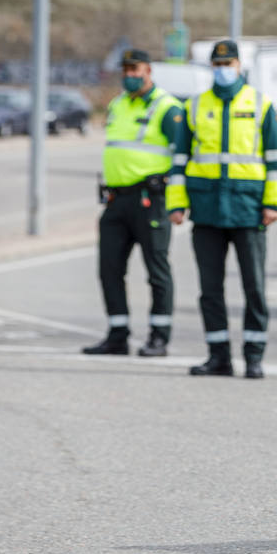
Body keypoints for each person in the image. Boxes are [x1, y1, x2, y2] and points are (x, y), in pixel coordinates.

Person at [165, 40, 277, 379]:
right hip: (206, 211)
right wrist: (176, 205)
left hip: (249, 209)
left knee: (254, 287)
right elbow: (179, 161)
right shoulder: (194, 107)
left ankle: (254, 357)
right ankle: (218, 356)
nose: (223, 69)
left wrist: (273, 203)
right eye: (217, 63)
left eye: (228, 63)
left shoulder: (260, 105)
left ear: (239, 65)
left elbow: (276, 160)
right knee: (210, 290)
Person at [83, 49, 185, 357]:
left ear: (148, 71)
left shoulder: (167, 108)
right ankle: (117, 333)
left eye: (135, 69)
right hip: (116, 199)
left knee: (156, 270)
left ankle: (159, 336)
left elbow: (182, 156)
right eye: (125, 70)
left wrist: (175, 195)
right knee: (109, 268)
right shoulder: (118, 104)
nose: (129, 75)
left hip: (150, 199)